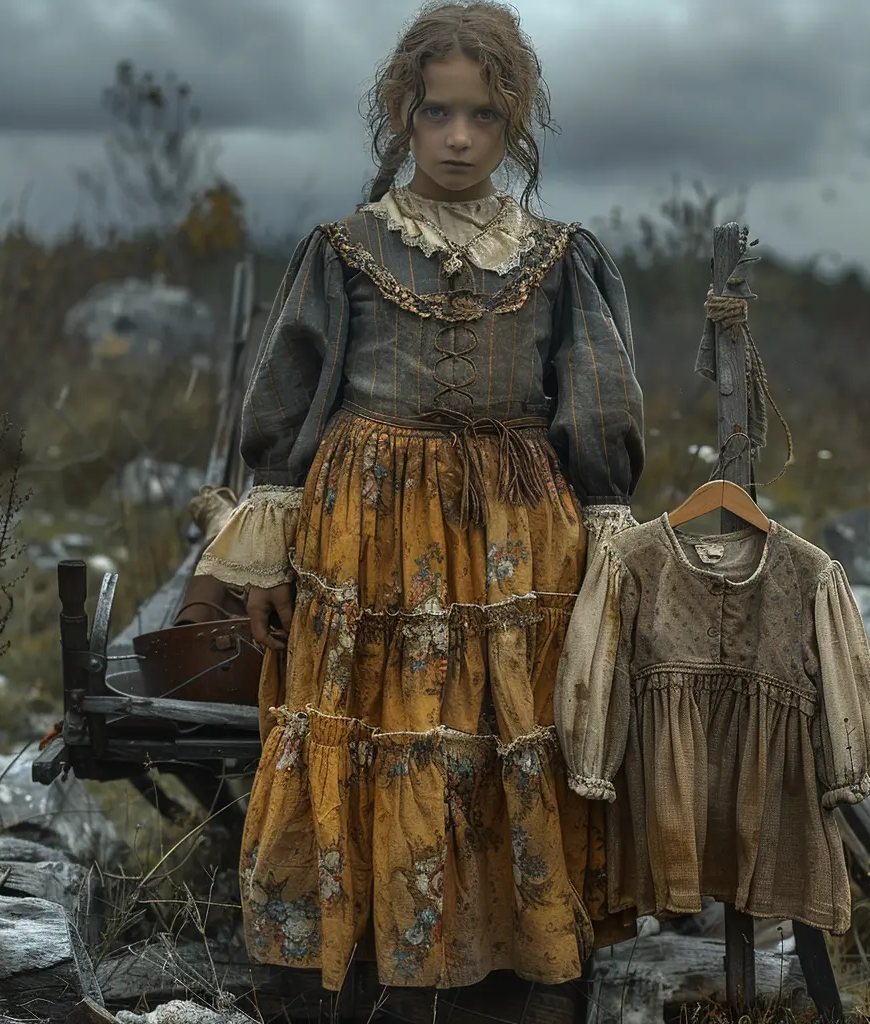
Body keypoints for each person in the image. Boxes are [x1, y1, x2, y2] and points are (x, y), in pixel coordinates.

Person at [196, 0, 645, 993]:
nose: (456, 137)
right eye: (436, 113)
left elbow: (597, 398)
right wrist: (266, 547)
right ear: (402, 114)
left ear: (513, 122)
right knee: (369, 723)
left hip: (512, 537)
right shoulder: (345, 246)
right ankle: (366, 964)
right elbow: (284, 401)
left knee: (499, 727)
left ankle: (505, 965)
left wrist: (607, 526)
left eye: (481, 117)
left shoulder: (559, 256)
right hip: (370, 534)